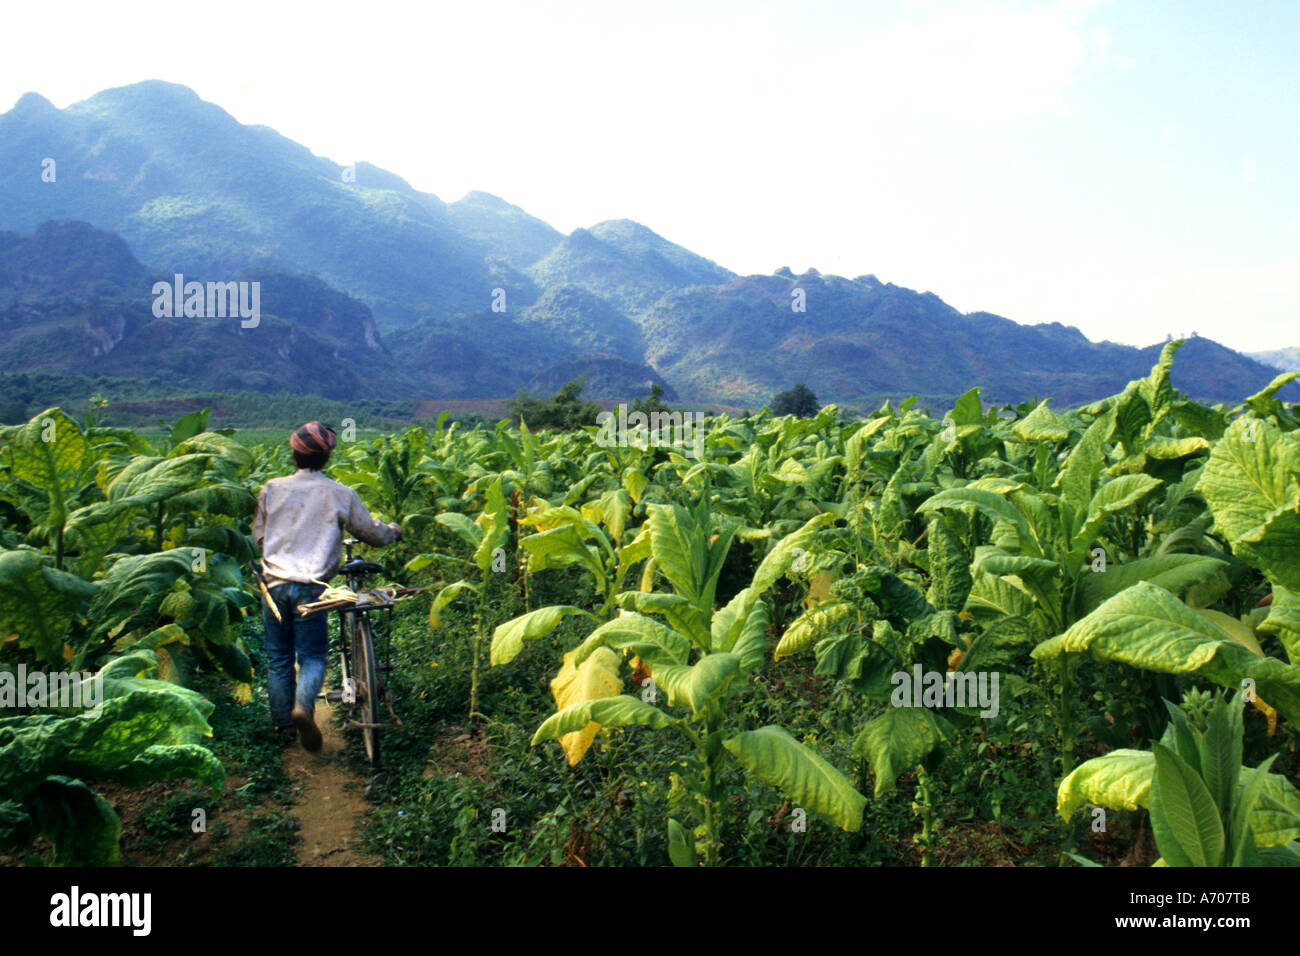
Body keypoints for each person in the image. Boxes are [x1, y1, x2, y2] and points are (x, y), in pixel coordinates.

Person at [250, 422, 402, 751]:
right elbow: (370, 532)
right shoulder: (339, 493)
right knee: (313, 655)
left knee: (278, 655)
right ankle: (304, 707)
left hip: (274, 584)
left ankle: (284, 727)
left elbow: (260, 537)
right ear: (326, 458)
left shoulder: (272, 489)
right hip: (311, 587)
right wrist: (393, 531)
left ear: (294, 455)